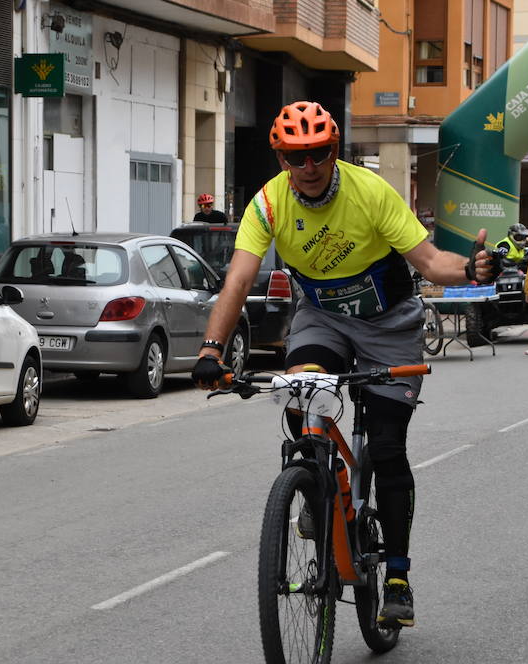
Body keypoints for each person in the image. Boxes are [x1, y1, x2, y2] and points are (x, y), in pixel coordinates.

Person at [190, 100, 497, 629]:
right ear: (282, 158)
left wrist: (471, 268)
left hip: (388, 324)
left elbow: (428, 262)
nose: (308, 167)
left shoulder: (371, 192)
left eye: (319, 153)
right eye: (296, 156)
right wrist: (211, 350)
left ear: (335, 150)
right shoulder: (267, 205)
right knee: (298, 391)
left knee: (386, 446)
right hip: (323, 318)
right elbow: (238, 280)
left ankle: (397, 577)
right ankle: (314, 478)